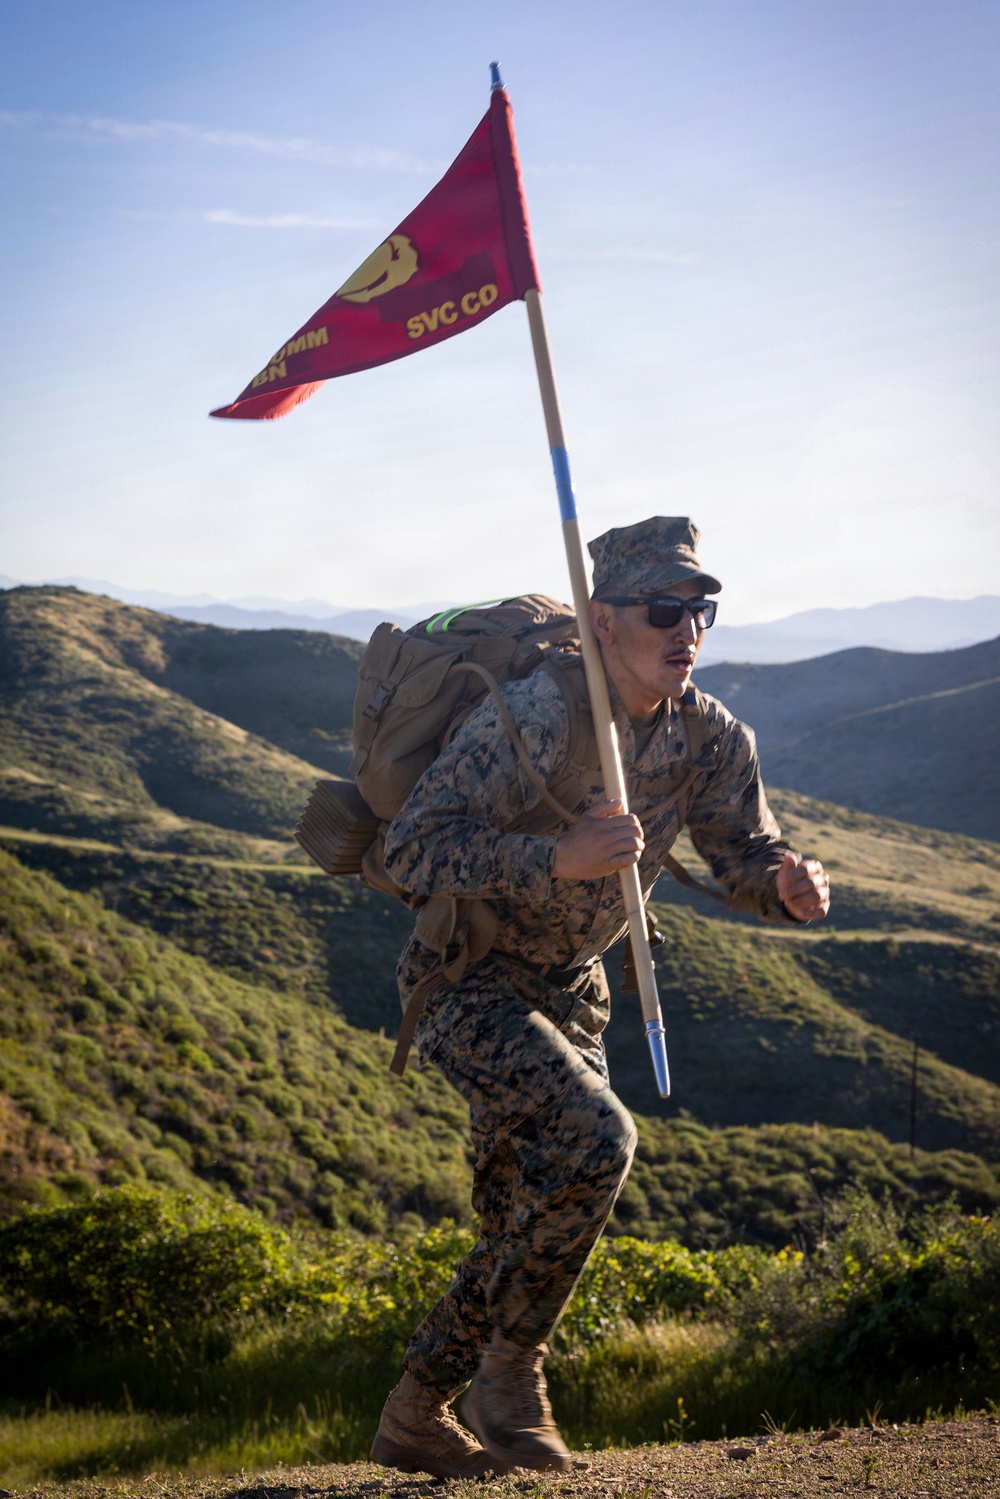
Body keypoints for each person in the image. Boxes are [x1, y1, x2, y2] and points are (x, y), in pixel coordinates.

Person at [369, 517, 830, 1479]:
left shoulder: (709, 735)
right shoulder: (534, 717)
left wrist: (781, 887)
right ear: (601, 619)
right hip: (470, 981)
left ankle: (415, 1412)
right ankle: (511, 1376)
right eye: (664, 608)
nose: (687, 628)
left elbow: (742, 851)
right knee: (598, 1140)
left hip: (575, 996)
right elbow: (412, 848)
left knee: (522, 1223)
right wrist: (553, 856)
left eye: (701, 608)